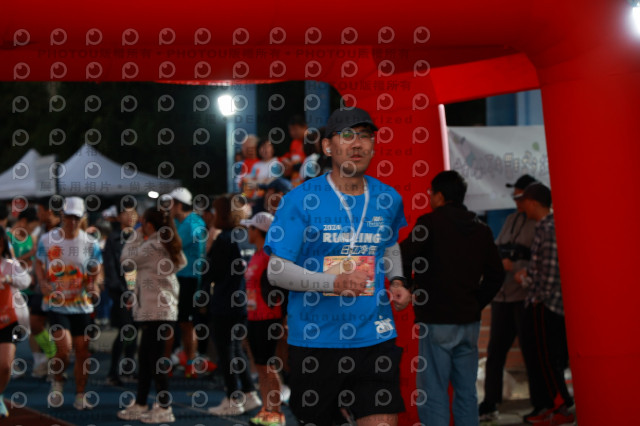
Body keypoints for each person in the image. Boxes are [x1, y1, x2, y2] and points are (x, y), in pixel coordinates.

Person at [266, 107, 411, 425]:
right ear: (327, 147)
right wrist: (331, 282)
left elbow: (389, 243)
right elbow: (276, 271)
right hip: (316, 341)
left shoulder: (388, 198)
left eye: (365, 136)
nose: (357, 143)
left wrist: (398, 280)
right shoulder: (300, 200)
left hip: (375, 337)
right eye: (347, 136)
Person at [400, 170, 504, 426]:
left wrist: (406, 285)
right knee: (467, 391)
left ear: (439, 196)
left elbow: (402, 254)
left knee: (434, 391)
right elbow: (497, 274)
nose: (429, 198)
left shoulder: (429, 223)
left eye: (431, 193)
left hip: (436, 319)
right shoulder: (481, 229)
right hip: (469, 321)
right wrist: (476, 302)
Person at [117, 207, 186, 424]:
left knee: (154, 361)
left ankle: (164, 407)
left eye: (143, 223)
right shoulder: (167, 244)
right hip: (162, 310)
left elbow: (126, 260)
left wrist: (136, 235)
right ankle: (141, 402)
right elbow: (182, 262)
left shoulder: (152, 246)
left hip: (155, 311)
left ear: (149, 225)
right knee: (147, 360)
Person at [478, 174, 539, 422]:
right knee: (495, 352)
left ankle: (541, 403)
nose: (516, 201)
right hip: (502, 296)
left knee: (532, 352)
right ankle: (490, 403)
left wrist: (517, 263)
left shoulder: (541, 224)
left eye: (520, 197)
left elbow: (542, 260)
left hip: (524, 297)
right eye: (515, 197)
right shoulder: (512, 219)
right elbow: (498, 246)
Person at [514, 183, 574, 425]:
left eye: (523, 201)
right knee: (545, 358)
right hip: (546, 303)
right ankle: (551, 406)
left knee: (547, 359)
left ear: (532, 202)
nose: (521, 206)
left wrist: (534, 290)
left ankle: (560, 406)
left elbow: (549, 274)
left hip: (545, 305)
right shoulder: (548, 226)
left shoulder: (548, 228)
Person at [35, 196, 103, 410]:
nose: (72, 221)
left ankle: (80, 395)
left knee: (83, 351)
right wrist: (42, 282)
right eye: (69, 216)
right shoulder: (48, 239)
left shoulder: (90, 243)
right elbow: (39, 263)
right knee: (64, 349)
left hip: (82, 304)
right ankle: (58, 380)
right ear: (62, 215)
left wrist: (94, 285)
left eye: (76, 217)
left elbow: (96, 270)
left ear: (82, 217)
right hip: (56, 303)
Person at [205, 195, 262, 417]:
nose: (213, 216)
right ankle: (248, 392)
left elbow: (211, 272)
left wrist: (209, 246)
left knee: (226, 351)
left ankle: (233, 398)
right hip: (244, 300)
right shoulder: (245, 237)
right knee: (236, 348)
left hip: (225, 300)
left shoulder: (224, 239)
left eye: (216, 211)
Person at [240, 212, 286, 426]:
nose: (247, 231)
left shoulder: (270, 256)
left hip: (269, 318)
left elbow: (282, 288)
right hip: (254, 316)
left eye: (250, 228)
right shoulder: (256, 254)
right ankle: (267, 409)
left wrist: (283, 319)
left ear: (258, 231)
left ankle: (276, 413)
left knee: (268, 366)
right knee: (260, 366)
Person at [166, 187, 207, 378]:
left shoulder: (194, 224)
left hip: (190, 279)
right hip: (177, 277)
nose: (168, 207)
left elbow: (173, 246)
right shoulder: (177, 221)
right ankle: (179, 358)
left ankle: (191, 361)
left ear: (178, 205)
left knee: (186, 322)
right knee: (176, 321)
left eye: (171, 203)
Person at [103, 199, 139, 386]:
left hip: (137, 291)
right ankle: (113, 372)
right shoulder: (113, 239)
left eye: (133, 212)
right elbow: (110, 269)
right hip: (120, 293)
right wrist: (125, 292)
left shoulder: (140, 236)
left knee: (133, 330)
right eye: (126, 213)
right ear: (118, 217)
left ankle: (127, 370)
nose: (131, 216)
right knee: (126, 329)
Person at [0, 226, 32, 417]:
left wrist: (9, 279)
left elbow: (26, 281)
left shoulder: (9, 265)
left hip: (7, 320)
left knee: (5, 366)